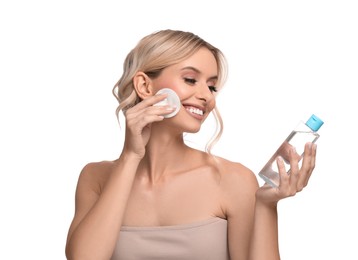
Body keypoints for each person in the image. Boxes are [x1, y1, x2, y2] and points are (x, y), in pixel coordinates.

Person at [65, 29, 317, 260]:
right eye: (189, 79)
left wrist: (266, 204)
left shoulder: (232, 179)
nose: (207, 96)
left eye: (211, 85)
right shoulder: (95, 178)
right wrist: (131, 156)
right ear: (144, 85)